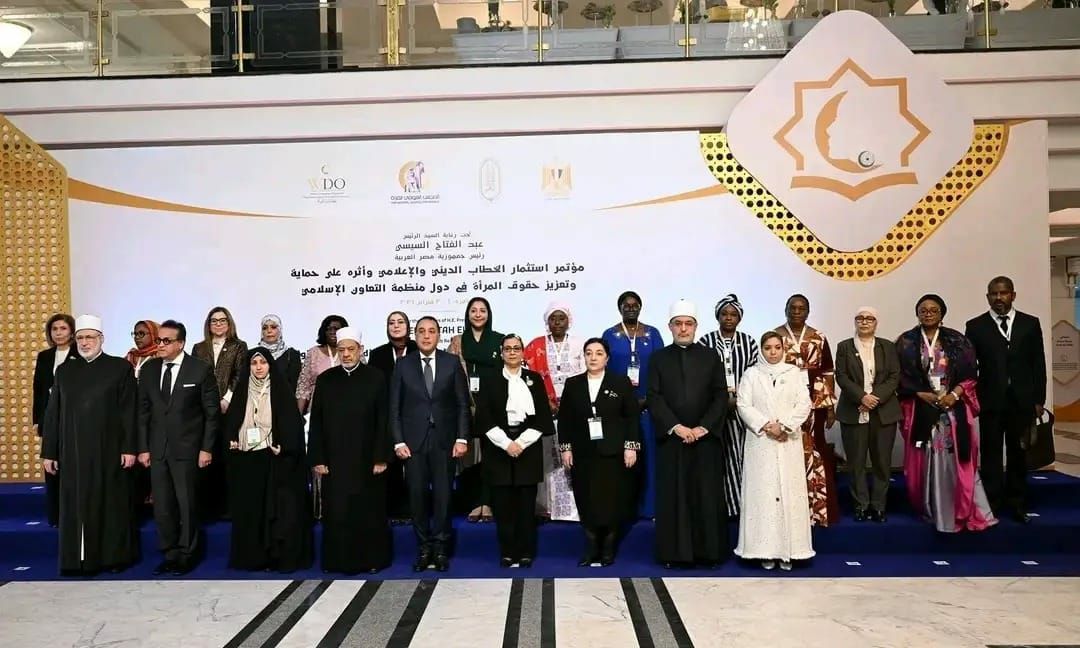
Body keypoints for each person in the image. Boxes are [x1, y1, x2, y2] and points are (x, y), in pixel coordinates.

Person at [40, 315, 139, 575]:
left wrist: (129, 448)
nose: (85, 343)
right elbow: (53, 413)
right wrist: (49, 451)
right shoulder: (65, 371)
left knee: (111, 504)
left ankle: (113, 558)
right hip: (72, 452)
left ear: (101, 339)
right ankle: (77, 561)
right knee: (75, 506)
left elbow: (129, 411)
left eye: (90, 337)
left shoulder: (119, 368)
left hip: (109, 451)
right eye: (81, 338)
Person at [897, 295, 997, 533]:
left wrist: (954, 394)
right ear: (917, 313)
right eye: (923, 310)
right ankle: (932, 508)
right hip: (922, 408)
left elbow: (971, 374)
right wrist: (920, 394)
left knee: (955, 458)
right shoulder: (905, 342)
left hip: (953, 408)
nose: (928, 313)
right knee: (926, 457)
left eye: (933, 310)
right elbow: (898, 376)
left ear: (942, 313)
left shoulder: (957, 340)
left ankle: (960, 508)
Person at [647, 300, 729, 568]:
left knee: (706, 496)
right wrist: (677, 427)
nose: (683, 329)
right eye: (678, 324)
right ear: (670, 327)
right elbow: (654, 397)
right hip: (673, 440)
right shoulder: (658, 358)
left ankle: (709, 554)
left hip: (705, 440)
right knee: (675, 497)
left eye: (688, 324)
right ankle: (674, 554)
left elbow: (720, 395)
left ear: (695, 326)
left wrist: (704, 427)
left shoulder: (710, 356)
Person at [137, 319, 221, 575]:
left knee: (186, 504)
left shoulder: (200, 369)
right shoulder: (149, 369)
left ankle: (187, 553)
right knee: (162, 507)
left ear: (181, 343)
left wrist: (206, 448)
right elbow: (143, 412)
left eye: (166, 341)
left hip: (188, 450)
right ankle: (169, 553)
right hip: (157, 450)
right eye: (158, 340)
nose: (160, 345)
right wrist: (143, 448)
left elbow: (211, 414)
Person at [308, 326, 393, 574]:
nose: (346, 354)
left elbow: (383, 420)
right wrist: (318, 457)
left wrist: (381, 457)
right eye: (342, 349)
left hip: (367, 459)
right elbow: (317, 422)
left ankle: (371, 560)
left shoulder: (376, 377)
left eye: (351, 349)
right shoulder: (326, 380)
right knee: (337, 510)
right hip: (335, 460)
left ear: (360, 350)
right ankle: (337, 561)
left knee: (368, 511)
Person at [390, 316, 470, 572]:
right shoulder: (403, 364)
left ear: (438, 335)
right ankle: (424, 548)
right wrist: (398, 441)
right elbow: (394, 408)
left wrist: (462, 437)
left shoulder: (451, 362)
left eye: (431, 331)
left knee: (444, 497)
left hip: (444, 440)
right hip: (413, 443)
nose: (426, 336)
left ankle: (441, 549)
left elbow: (462, 404)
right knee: (417, 497)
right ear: (415, 336)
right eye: (422, 331)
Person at [965, 276, 1047, 523]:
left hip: (1022, 402)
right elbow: (970, 367)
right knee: (990, 453)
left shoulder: (1030, 324)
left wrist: (1038, 399)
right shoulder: (975, 326)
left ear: (1013, 295)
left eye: (1003, 293)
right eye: (994, 294)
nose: (998, 298)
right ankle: (992, 502)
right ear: (987, 297)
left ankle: (1017, 503)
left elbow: (1038, 363)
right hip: (990, 401)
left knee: (1018, 453)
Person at [224, 348, 313, 573]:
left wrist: (285, 445)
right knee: (251, 511)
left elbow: (292, 425)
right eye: (254, 363)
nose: (258, 367)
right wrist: (231, 438)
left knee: (277, 510)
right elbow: (231, 422)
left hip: (274, 460)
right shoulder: (242, 390)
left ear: (270, 365)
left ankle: (276, 557)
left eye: (263, 362)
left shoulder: (281, 390)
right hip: (247, 459)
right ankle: (254, 558)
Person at [734, 331, 814, 571]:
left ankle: (790, 552)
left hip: (787, 441)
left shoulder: (794, 373)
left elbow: (804, 404)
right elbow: (743, 404)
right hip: (761, 442)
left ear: (783, 349)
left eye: (777, 347)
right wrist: (766, 425)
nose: (773, 352)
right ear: (761, 349)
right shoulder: (751, 374)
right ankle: (764, 550)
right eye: (768, 347)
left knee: (789, 493)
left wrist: (785, 425)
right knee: (764, 494)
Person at [474, 334, 554, 567]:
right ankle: (507, 552)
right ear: (501, 353)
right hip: (499, 449)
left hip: (527, 448)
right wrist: (506, 444)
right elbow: (484, 417)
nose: (512, 352)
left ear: (522, 352)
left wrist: (521, 443)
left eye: (516, 348)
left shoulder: (534, 379)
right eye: (507, 349)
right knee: (503, 507)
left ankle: (526, 552)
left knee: (526, 507)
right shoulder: (489, 379)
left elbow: (542, 417)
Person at [558, 337, 640, 567]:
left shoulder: (620, 382)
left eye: (598, 353)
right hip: (583, 452)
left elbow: (631, 417)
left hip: (613, 452)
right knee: (586, 498)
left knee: (611, 499)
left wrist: (630, 446)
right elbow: (565, 420)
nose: (593, 357)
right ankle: (591, 546)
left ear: (607, 358)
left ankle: (608, 547)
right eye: (589, 353)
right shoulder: (573, 384)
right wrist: (566, 448)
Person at [774, 294, 838, 527]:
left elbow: (828, 371)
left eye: (801, 308)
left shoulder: (818, 337)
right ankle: (788, 509)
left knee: (815, 448)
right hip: (785, 402)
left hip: (814, 403)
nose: (796, 312)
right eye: (792, 308)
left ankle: (817, 509)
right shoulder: (776, 336)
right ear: (785, 309)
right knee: (787, 448)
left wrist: (830, 407)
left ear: (808, 312)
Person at [602, 291, 666, 519]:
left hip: (648, 405)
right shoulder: (609, 335)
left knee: (649, 457)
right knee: (623, 458)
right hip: (619, 408)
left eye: (634, 305)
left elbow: (662, 368)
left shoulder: (653, 333)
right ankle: (625, 509)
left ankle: (650, 508)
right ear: (619, 308)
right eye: (626, 305)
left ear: (640, 307)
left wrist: (648, 398)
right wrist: (623, 401)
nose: (630, 308)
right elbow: (604, 370)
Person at [834, 307, 901, 522]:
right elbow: (842, 377)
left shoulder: (887, 346)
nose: (864, 322)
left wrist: (874, 398)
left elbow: (894, 376)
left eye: (869, 319)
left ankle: (879, 506)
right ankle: (861, 505)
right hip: (853, 411)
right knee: (856, 462)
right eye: (860, 318)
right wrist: (862, 397)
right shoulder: (844, 347)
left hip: (884, 412)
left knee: (882, 462)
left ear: (876, 323)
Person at [698, 294, 758, 517]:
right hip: (713, 409)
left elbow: (754, 375)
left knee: (741, 456)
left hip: (742, 408)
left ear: (740, 318)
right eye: (724, 314)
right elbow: (699, 376)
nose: (729, 318)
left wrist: (739, 399)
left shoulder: (749, 343)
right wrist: (721, 400)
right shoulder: (705, 342)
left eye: (733, 314)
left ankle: (742, 506)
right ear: (717, 316)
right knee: (717, 458)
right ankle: (720, 506)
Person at [523, 302, 584, 521]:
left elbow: (585, 376)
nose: (557, 322)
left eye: (561, 318)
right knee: (546, 460)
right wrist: (545, 402)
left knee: (571, 457)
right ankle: (545, 508)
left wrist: (569, 403)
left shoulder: (579, 344)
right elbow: (527, 379)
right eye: (553, 318)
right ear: (547, 321)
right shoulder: (534, 345)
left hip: (573, 410)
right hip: (544, 411)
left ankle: (573, 509)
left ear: (569, 321)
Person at [448, 297, 503, 522]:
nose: (478, 314)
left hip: (494, 405)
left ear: (488, 314)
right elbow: (449, 374)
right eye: (473, 310)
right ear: (467, 315)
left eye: (482, 310)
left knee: (492, 456)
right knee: (469, 457)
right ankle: (474, 503)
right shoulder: (457, 342)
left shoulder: (500, 340)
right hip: (466, 405)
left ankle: (488, 502)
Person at [192, 306, 248, 519]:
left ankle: (228, 508)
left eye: (222, 320)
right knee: (206, 456)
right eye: (214, 320)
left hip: (229, 409)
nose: (218, 324)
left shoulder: (239, 346)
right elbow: (194, 376)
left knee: (227, 457)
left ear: (229, 322)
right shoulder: (199, 348)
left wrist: (227, 399)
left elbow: (240, 375)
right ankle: (207, 508)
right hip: (203, 410)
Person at [368, 310, 419, 524]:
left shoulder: (419, 350)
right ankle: (395, 509)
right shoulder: (378, 354)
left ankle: (416, 508)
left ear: (408, 327)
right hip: (388, 417)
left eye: (400, 322)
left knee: (416, 467)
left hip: (416, 416)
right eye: (391, 323)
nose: (396, 326)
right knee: (392, 465)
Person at [32, 313, 78, 528]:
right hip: (50, 418)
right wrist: (37, 419)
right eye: (54, 329)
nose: (58, 333)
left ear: (72, 332)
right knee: (51, 465)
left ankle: (73, 514)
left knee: (72, 465)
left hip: (73, 418)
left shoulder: (80, 354)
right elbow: (39, 390)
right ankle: (56, 515)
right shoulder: (44, 356)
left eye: (63, 328)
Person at [124, 319, 162, 515]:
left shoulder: (160, 357)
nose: (138, 338)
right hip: (131, 414)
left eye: (142, 333)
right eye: (135, 334)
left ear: (153, 334)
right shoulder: (129, 357)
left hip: (153, 416)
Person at [296, 314, 348, 414]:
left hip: (347, 407)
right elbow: (304, 387)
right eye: (328, 329)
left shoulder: (353, 352)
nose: (332, 332)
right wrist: (298, 416)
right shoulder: (314, 353)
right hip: (319, 408)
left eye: (336, 329)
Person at [258, 314, 302, 395]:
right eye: (265, 328)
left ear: (280, 330)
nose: (269, 331)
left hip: (285, 400)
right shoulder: (254, 354)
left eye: (273, 327)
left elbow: (295, 386)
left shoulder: (292, 355)